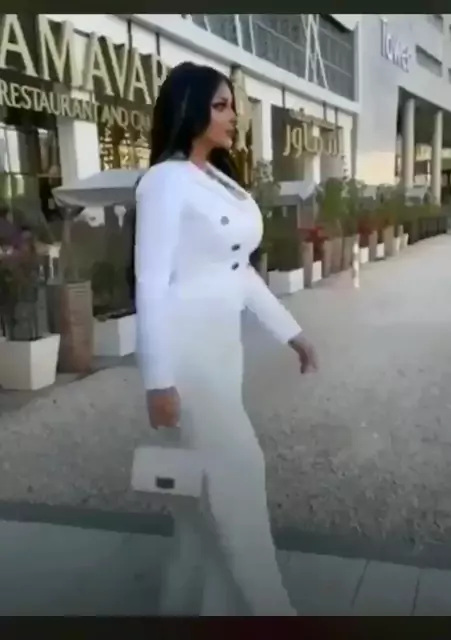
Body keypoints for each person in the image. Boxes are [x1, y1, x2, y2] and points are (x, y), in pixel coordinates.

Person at [135, 61, 318, 616]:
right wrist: (158, 381)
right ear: (189, 109)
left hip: (222, 353)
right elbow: (150, 282)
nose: (233, 116)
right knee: (239, 475)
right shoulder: (165, 182)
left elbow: (239, 272)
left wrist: (293, 334)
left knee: (199, 509)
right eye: (220, 106)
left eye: (232, 106)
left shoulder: (218, 179)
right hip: (187, 356)